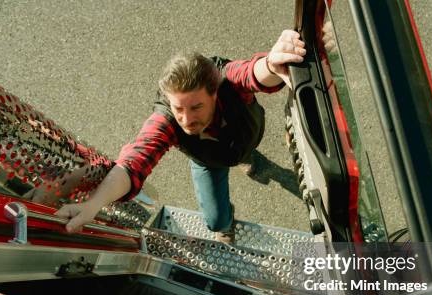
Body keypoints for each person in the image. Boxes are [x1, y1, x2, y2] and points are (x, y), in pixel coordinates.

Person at [56, 30, 306, 244]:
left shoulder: (226, 81)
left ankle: (245, 157)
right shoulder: (167, 119)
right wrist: (93, 204)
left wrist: (272, 64)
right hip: (207, 160)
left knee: (244, 151)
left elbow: (251, 72)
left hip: (245, 137)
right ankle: (225, 221)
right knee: (215, 220)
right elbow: (134, 161)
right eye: (179, 109)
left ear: (215, 93)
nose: (186, 120)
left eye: (196, 107)